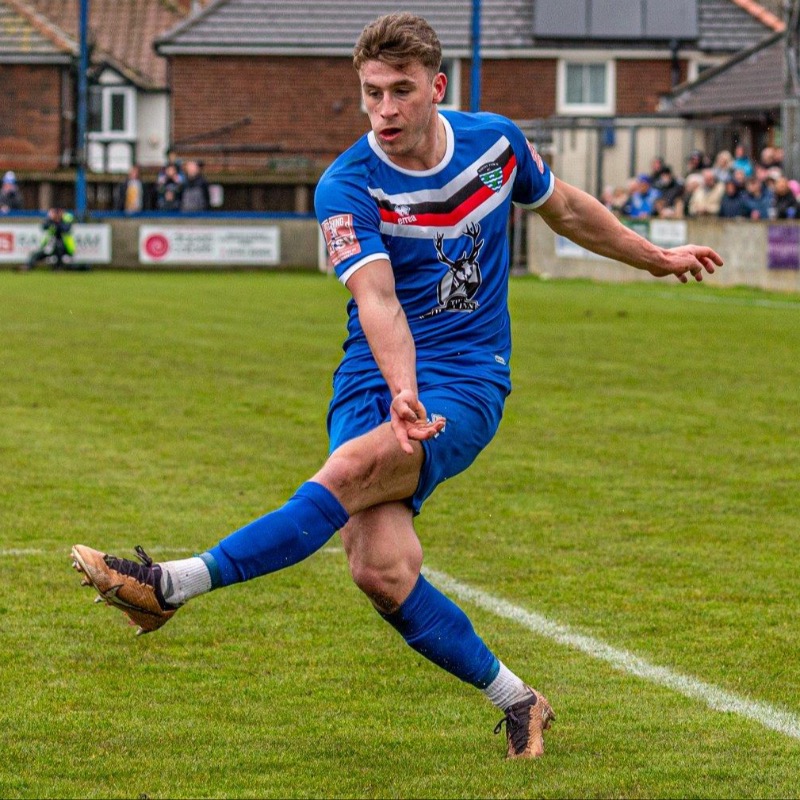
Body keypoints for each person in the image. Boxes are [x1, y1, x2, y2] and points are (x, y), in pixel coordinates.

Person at [70, 13, 722, 761]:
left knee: (345, 474)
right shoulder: (347, 184)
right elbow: (376, 299)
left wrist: (655, 256)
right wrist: (399, 386)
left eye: (401, 92)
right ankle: (519, 699)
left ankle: (168, 586)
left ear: (437, 87)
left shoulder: (496, 144)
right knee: (380, 568)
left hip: (468, 378)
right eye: (371, 93)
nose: (384, 110)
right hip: (373, 375)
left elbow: (565, 208)